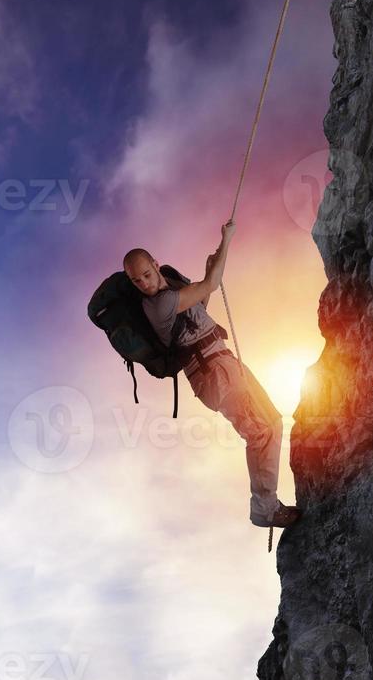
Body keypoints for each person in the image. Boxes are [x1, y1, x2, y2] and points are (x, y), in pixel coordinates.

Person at [123, 220, 301, 533]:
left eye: (147, 275)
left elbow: (200, 304)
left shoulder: (174, 290)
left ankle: (267, 504)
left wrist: (212, 265)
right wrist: (227, 240)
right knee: (260, 431)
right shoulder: (157, 305)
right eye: (137, 281)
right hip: (213, 373)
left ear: (156, 265)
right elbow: (210, 285)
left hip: (222, 364)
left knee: (270, 422)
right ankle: (265, 509)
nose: (144, 284)